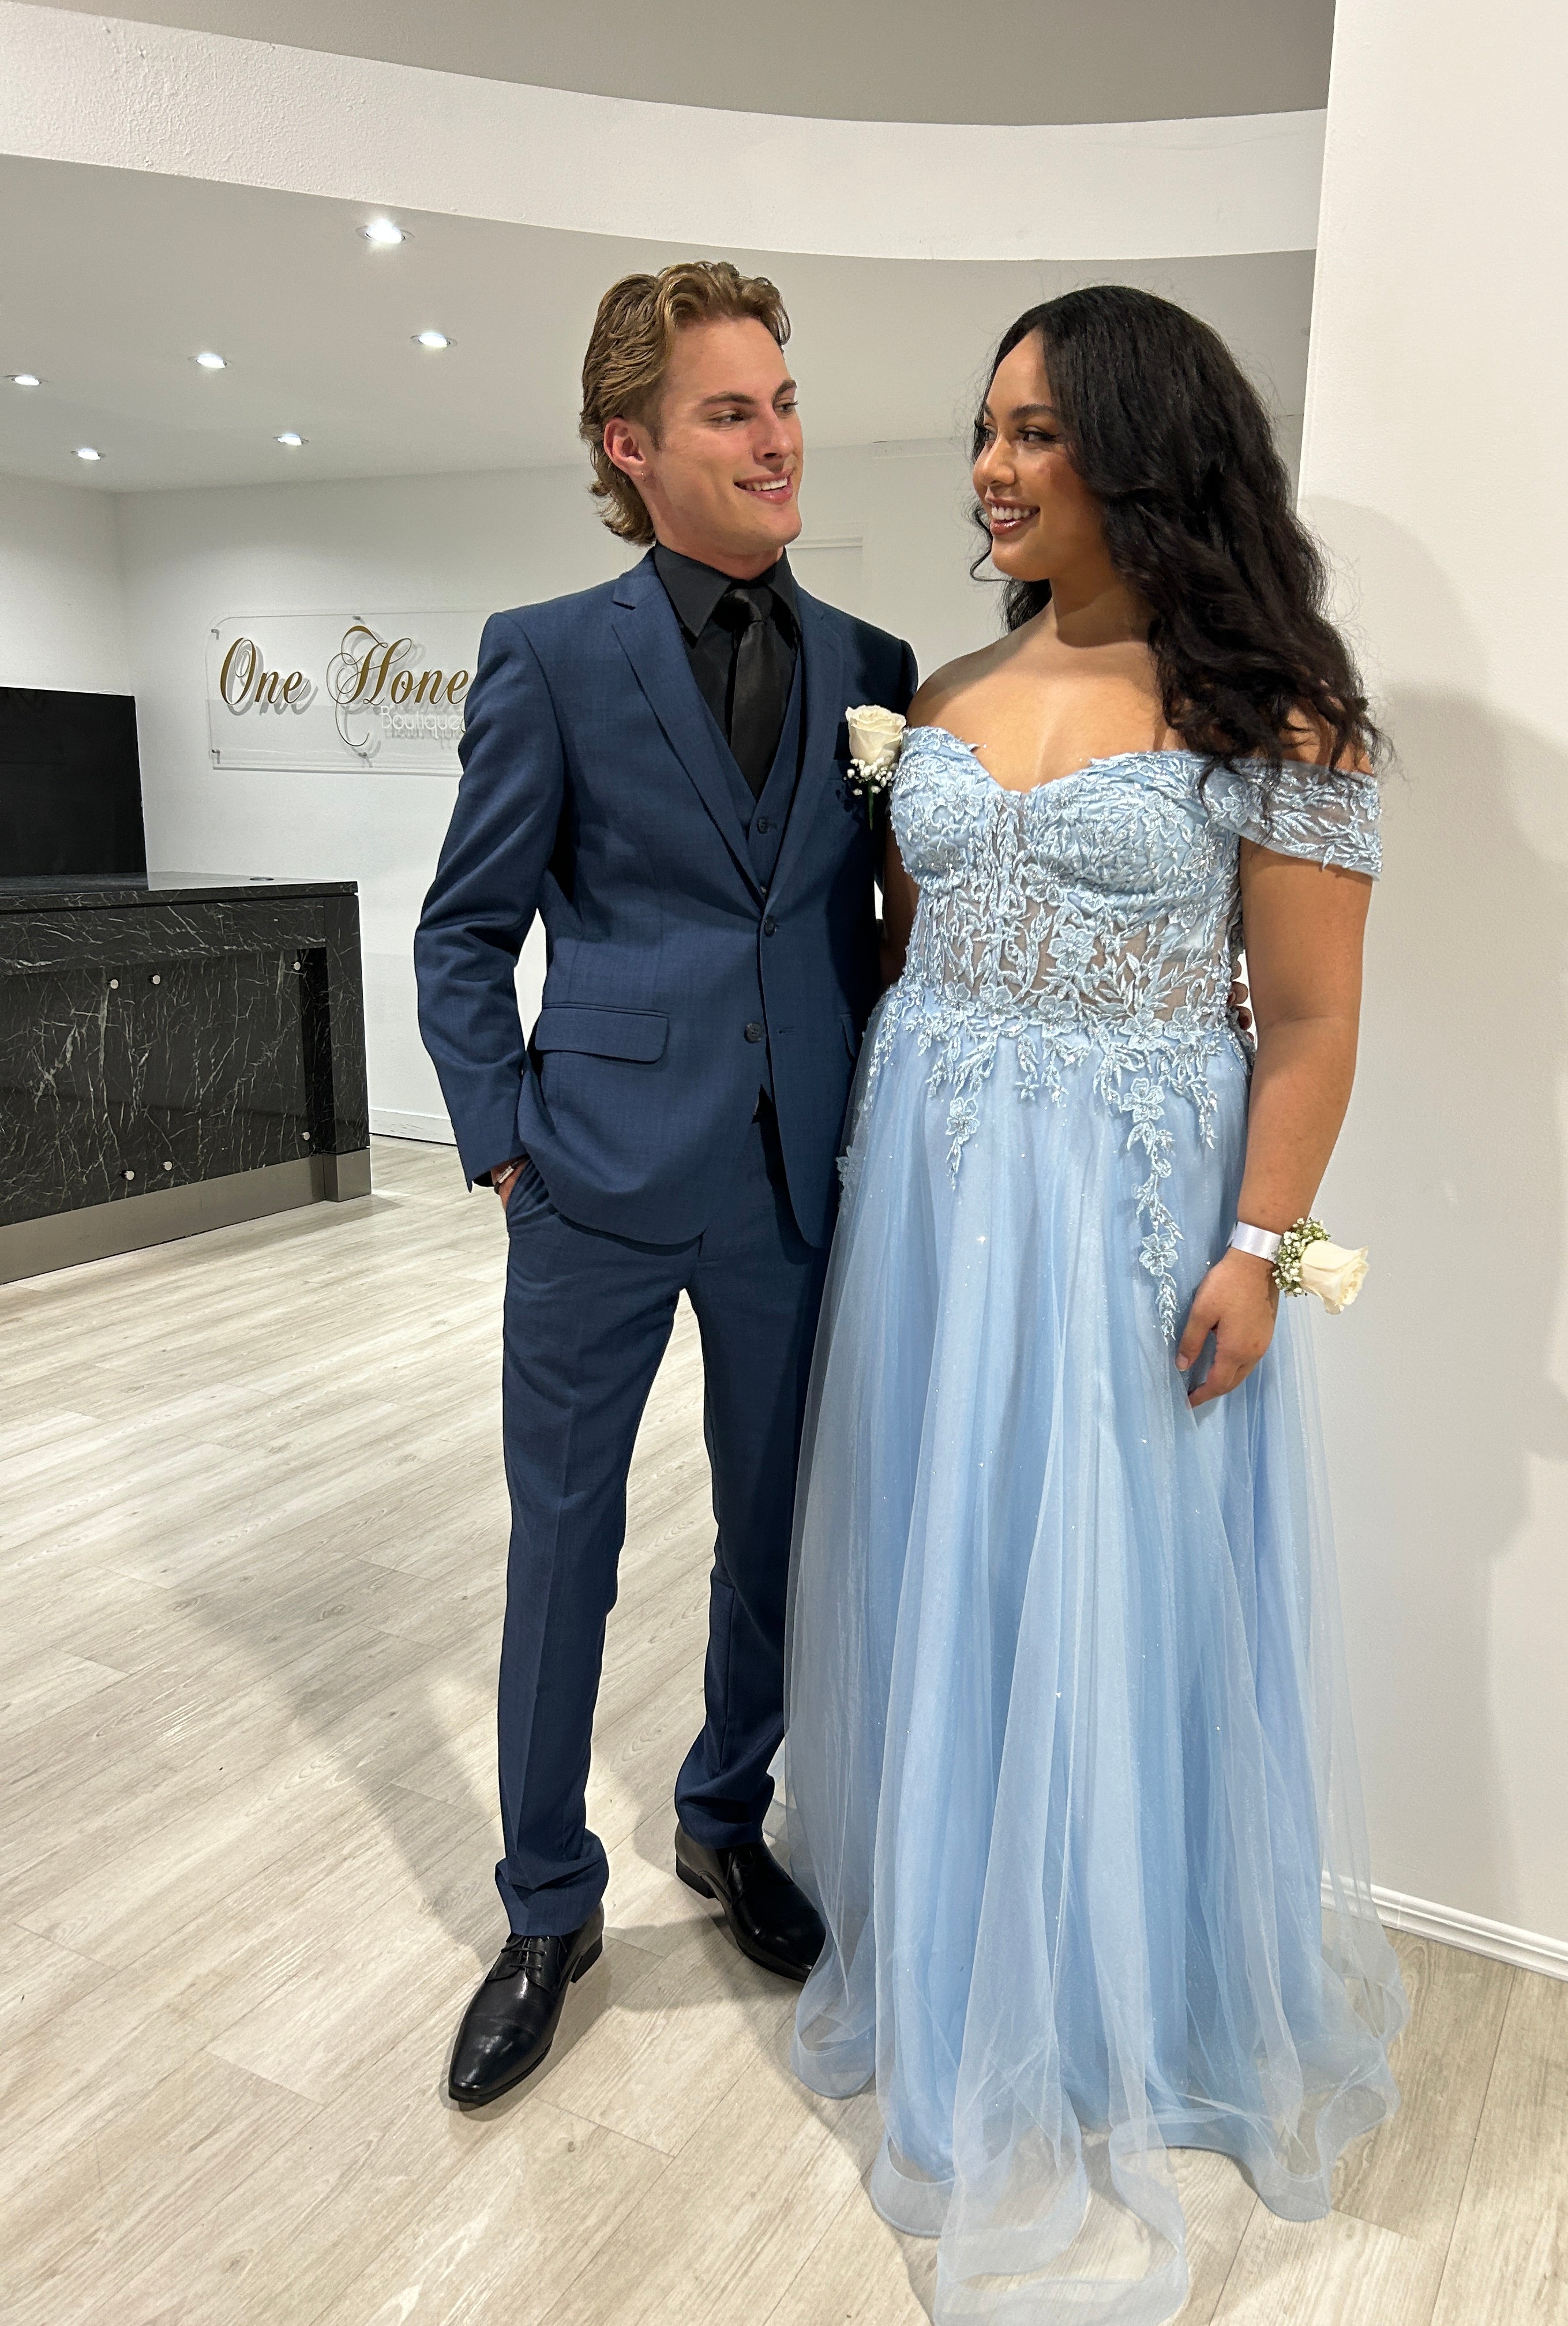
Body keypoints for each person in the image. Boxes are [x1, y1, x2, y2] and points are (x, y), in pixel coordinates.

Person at [784, 287, 1408, 2322]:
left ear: (1145, 450)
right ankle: (967, 1956)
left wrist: (1267, 1249)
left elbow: (1311, 1027)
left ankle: (1128, 1994)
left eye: (1034, 432)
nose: (990, 467)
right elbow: (919, 944)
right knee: (952, 1566)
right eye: (985, 430)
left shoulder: (1276, 715)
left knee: (1123, 1584)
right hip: (938, 1216)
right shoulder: (944, 694)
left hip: (1140, 1227)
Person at [414, 261, 915, 2107]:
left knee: (772, 1533)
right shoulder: (547, 654)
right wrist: (506, 1148)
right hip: (598, 1186)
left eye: (781, 396)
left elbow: (872, 926)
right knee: (569, 1548)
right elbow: (462, 934)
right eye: (731, 408)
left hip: (799, 1187)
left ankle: (723, 1817)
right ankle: (548, 1900)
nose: (777, 432)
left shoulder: (870, 669)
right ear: (634, 448)